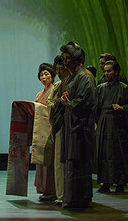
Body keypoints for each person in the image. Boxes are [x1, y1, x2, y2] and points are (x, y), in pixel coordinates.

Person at [51, 41, 96, 208]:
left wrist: (69, 103)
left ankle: (80, 198)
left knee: (79, 162)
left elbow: (86, 101)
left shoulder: (84, 76)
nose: (65, 62)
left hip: (81, 126)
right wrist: (63, 100)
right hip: (71, 124)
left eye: (68, 58)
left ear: (77, 59)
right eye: (64, 58)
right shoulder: (72, 76)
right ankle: (73, 197)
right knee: (72, 161)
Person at [95, 61, 128, 193]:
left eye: (109, 71)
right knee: (104, 153)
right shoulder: (100, 88)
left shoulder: (123, 88)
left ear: (116, 72)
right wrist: (95, 122)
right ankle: (105, 182)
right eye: (105, 71)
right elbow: (96, 107)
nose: (106, 73)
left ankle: (120, 183)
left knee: (118, 153)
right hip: (103, 121)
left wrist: (122, 107)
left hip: (117, 122)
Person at [47, 55, 68, 205]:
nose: (59, 72)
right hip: (60, 124)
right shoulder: (58, 85)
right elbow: (49, 101)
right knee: (59, 161)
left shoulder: (73, 82)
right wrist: (55, 104)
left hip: (72, 124)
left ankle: (69, 194)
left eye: (62, 69)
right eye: (57, 69)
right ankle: (60, 194)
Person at [34, 63, 56, 201]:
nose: (44, 77)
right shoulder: (39, 94)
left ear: (52, 76)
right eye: (41, 75)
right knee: (40, 160)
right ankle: (43, 188)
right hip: (40, 131)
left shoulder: (55, 90)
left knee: (49, 160)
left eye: (46, 74)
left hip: (49, 129)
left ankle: (51, 189)